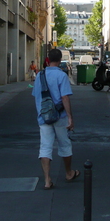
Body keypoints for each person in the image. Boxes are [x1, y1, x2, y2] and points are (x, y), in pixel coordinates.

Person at [32, 48, 79, 190]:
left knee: (45, 147)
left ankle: (47, 180)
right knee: (65, 144)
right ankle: (69, 173)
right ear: (59, 60)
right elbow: (64, 97)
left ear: (48, 59)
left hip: (43, 117)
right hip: (59, 116)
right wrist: (70, 117)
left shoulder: (40, 75)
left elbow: (36, 96)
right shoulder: (62, 76)